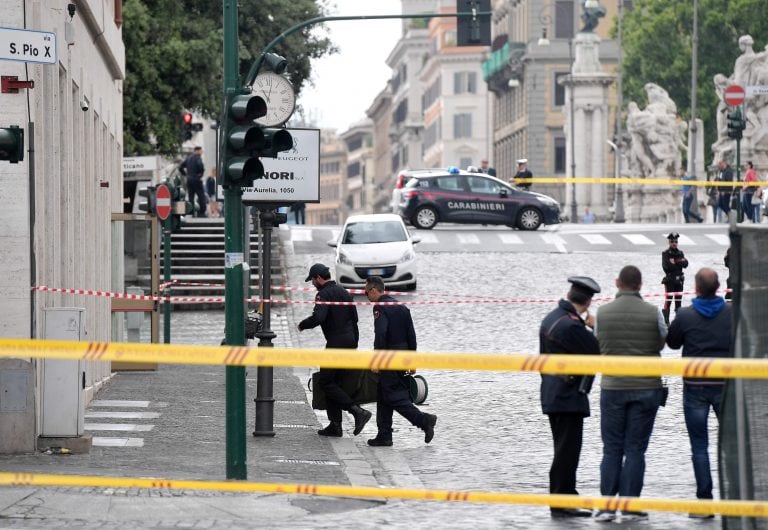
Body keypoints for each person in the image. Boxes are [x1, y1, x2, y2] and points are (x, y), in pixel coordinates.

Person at [594, 265, 667, 522]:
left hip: (613, 387)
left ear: (617, 283)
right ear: (640, 285)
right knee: (635, 449)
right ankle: (630, 505)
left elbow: (598, 342)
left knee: (611, 448)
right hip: (647, 387)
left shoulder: (601, 313)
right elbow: (662, 340)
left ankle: (606, 506)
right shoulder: (653, 311)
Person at [666, 268, 732, 514]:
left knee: (699, 446)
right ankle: (735, 499)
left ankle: (704, 500)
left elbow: (673, 342)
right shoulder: (731, 312)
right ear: (718, 288)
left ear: (695, 288)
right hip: (726, 385)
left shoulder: (685, 315)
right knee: (731, 444)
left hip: (695, 387)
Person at [538, 276, 601, 519]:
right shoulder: (571, 325)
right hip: (567, 396)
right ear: (588, 302)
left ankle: (566, 495)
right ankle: (562, 500)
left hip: (554, 393)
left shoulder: (554, 317)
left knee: (563, 448)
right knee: (567, 451)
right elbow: (597, 350)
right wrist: (593, 327)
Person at [298, 263, 372, 437]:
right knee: (335, 383)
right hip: (349, 342)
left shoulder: (323, 294)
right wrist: (354, 344)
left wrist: (303, 324)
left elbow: (319, 317)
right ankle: (335, 425)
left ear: (318, 278)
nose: (312, 284)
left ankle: (357, 412)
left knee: (325, 382)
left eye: (313, 280)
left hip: (335, 344)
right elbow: (354, 319)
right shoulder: (343, 291)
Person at [364, 276, 437, 447]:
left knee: (394, 397)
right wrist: (412, 359)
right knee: (383, 396)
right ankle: (384, 435)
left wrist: (377, 360)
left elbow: (380, 335)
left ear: (374, 290)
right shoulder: (401, 307)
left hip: (389, 358)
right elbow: (412, 336)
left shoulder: (380, 307)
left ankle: (424, 420)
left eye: (366, 292)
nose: (365, 295)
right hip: (403, 357)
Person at [661, 232, 688, 325]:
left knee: (678, 301)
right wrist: (679, 262)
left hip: (679, 280)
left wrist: (676, 261)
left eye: (676, 241)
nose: (674, 243)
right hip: (670, 280)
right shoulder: (665, 253)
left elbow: (686, 264)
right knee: (668, 300)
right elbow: (667, 266)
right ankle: (666, 321)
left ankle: (678, 321)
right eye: (672, 241)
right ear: (669, 242)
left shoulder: (680, 253)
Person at [179, 146, 207, 217]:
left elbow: (180, 167)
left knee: (191, 197)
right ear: (197, 151)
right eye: (201, 151)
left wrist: (185, 174)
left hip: (189, 179)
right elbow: (200, 166)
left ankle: (191, 212)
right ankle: (201, 213)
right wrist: (201, 174)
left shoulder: (188, 158)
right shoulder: (198, 158)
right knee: (201, 196)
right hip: (196, 179)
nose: (201, 152)